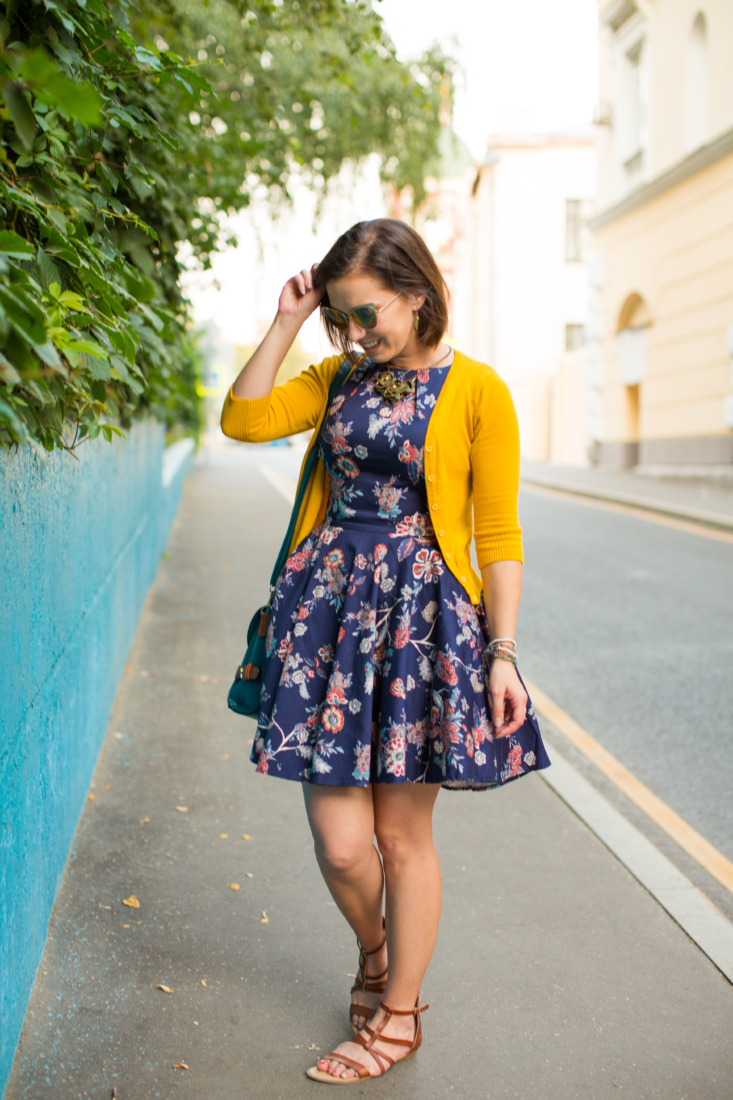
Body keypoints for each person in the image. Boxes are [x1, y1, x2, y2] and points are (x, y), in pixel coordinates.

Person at [220, 218, 549, 1083]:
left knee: (401, 839)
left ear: (415, 291)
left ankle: (398, 1014)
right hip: (327, 619)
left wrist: (501, 652)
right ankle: (374, 956)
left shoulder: (479, 390)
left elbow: (498, 534)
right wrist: (291, 323)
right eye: (344, 320)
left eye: (366, 315)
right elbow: (244, 420)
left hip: (422, 626)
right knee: (339, 843)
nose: (357, 335)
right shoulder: (335, 377)